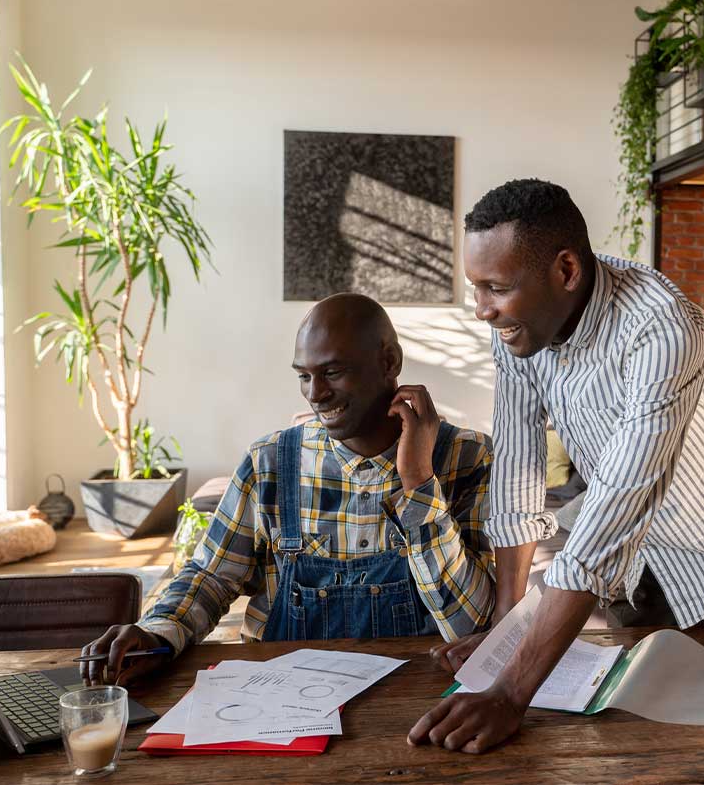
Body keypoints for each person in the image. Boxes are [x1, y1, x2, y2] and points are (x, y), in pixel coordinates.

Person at [408, 179, 704, 754]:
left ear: (566, 270)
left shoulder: (661, 328)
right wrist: (503, 637)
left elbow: (615, 511)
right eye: (476, 288)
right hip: (643, 558)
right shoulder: (519, 330)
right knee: (640, 743)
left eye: (496, 288)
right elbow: (518, 474)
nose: (482, 310)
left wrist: (510, 692)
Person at [81, 294, 495, 685]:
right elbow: (211, 575)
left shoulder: (467, 457)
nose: (316, 394)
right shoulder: (270, 462)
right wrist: (156, 632)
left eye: (332, 372)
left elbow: (469, 627)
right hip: (282, 701)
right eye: (304, 376)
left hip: (417, 702)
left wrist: (418, 481)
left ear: (389, 362)